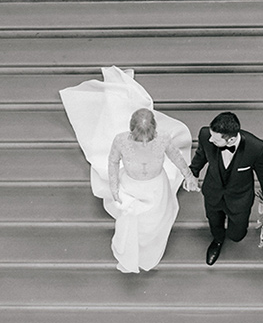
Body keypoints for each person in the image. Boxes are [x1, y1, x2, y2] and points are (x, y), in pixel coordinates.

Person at [60, 67, 198, 274]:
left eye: (147, 137)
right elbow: (113, 162)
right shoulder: (120, 140)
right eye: (139, 137)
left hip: (155, 186)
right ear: (132, 130)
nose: (143, 142)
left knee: (153, 222)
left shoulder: (163, 139)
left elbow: (176, 157)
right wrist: (114, 187)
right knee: (131, 221)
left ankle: (150, 246)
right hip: (130, 184)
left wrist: (189, 175)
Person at [190, 111, 263, 266]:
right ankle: (218, 240)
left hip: (239, 198)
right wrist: (193, 173)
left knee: (237, 235)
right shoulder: (205, 135)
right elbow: (201, 155)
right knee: (214, 222)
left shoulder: (255, 147)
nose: (210, 139)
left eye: (215, 139)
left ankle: (233, 233)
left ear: (231, 139)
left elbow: (262, 171)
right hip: (213, 192)